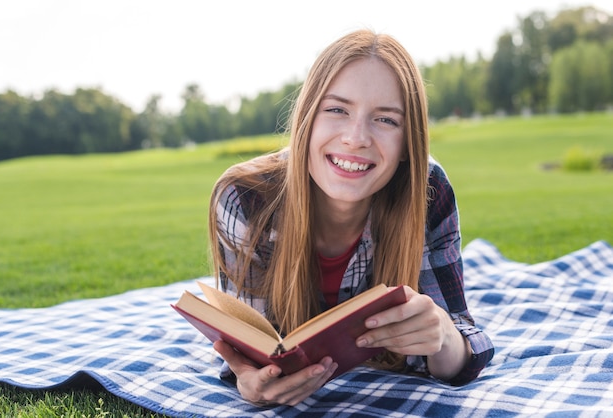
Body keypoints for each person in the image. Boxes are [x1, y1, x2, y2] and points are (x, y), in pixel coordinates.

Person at [207, 29, 494, 407]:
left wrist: (442, 336)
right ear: (307, 119)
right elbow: (248, 354)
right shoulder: (245, 198)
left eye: (386, 120)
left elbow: (461, 345)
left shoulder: (427, 189)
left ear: (410, 144)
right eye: (337, 110)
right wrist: (250, 381)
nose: (356, 138)